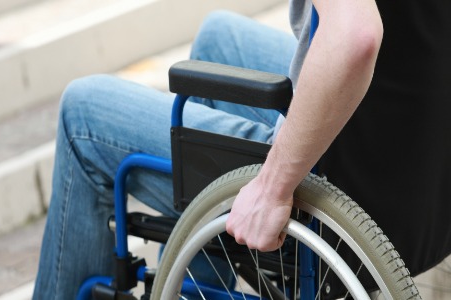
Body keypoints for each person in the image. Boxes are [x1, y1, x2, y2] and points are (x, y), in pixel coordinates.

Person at [33, 0, 451, 298]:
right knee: (220, 38)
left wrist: (273, 188)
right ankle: (198, 289)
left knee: (82, 114)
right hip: (420, 174)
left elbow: (356, 35)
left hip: (340, 194)